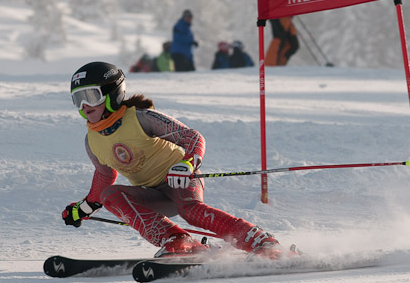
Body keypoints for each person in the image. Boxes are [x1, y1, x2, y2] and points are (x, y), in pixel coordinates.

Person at [63, 62, 281, 258]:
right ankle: (179, 240)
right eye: (78, 99)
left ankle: (261, 240)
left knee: (191, 210)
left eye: (91, 97)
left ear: (112, 93)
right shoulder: (91, 141)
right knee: (109, 194)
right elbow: (104, 177)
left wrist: (186, 164)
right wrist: (83, 208)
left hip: (181, 180)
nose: (84, 106)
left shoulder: (140, 117)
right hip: (152, 194)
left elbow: (192, 137)